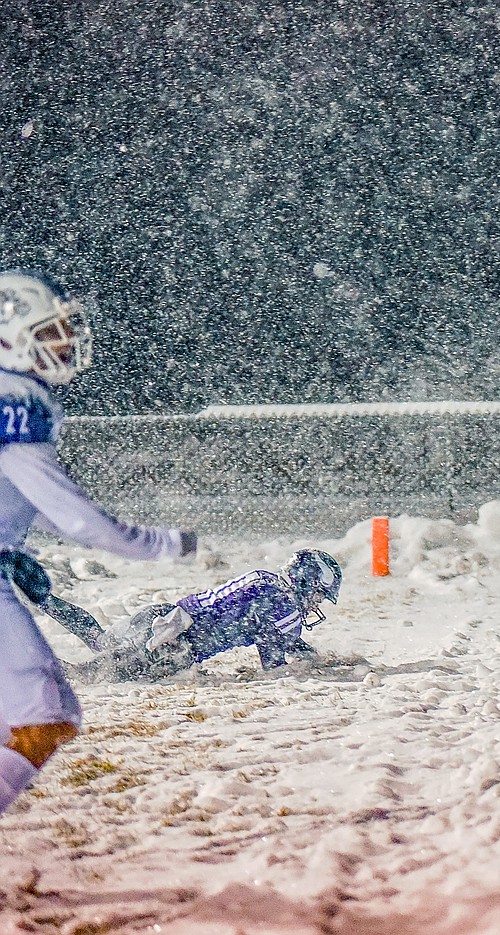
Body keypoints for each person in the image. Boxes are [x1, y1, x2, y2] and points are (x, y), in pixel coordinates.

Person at [0, 268, 198, 817]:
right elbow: (76, 519)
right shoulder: (13, 398)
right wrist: (166, 544)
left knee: (41, 717)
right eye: (48, 332)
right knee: (45, 720)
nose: (64, 343)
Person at [32, 548, 343, 683]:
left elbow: (272, 630)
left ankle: (36, 593)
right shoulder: (282, 605)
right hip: (171, 646)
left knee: (98, 639)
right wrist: (318, 666)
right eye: (318, 594)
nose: (317, 603)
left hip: (162, 617)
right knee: (85, 676)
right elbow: (274, 665)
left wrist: (320, 656)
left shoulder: (265, 580)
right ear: (305, 583)